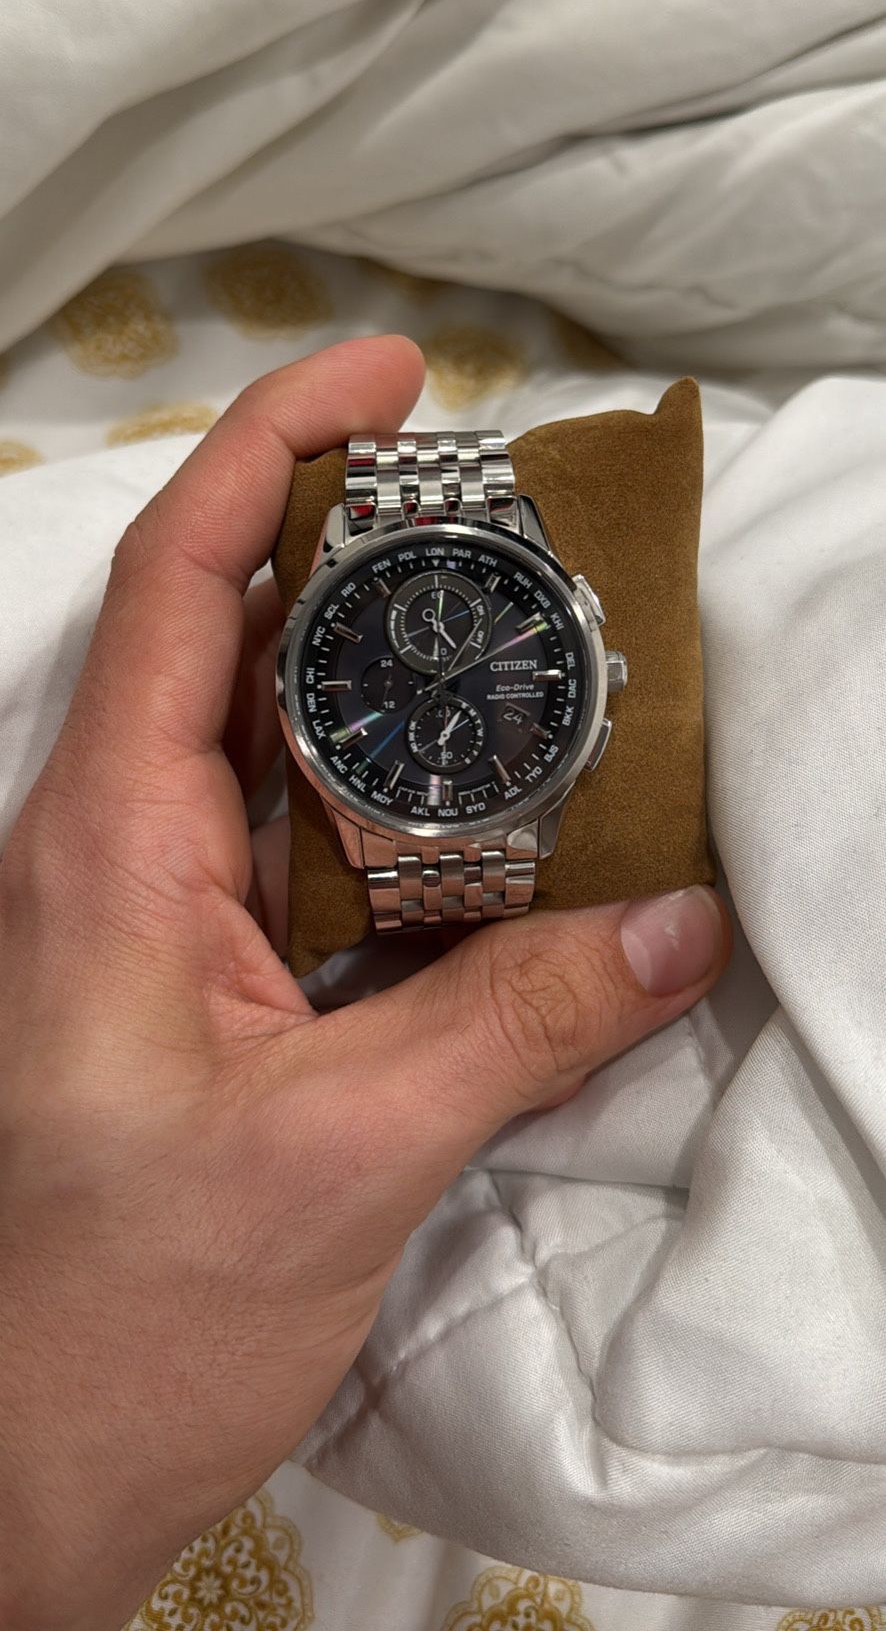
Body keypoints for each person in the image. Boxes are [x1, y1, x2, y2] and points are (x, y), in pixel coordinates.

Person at [0, 335, 732, 1631]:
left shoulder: (528, 666)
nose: (443, 674)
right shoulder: (340, 702)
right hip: (393, 810)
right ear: (304, 691)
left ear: (593, 663)